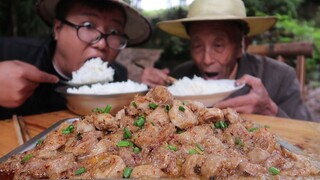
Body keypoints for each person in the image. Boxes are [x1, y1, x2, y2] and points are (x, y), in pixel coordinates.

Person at [141, 0, 313, 121]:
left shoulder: (280, 77)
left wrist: (270, 110)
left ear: (241, 45)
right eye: (197, 46)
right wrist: (149, 92)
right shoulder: (179, 76)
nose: (206, 59)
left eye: (219, 45)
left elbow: (310, 135)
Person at [0, 0, 152, 119]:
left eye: (114, 32)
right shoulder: (9, 52)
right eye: (88, 25)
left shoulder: (119, 76)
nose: (101, 43)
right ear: (57, 29)